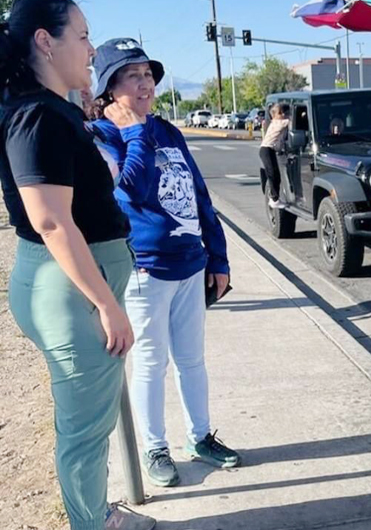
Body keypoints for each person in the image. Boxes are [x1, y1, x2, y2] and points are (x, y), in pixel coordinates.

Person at [0, 2, 155, 529]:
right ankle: (94, 523)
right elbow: (50, 222)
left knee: (86, 422)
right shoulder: (35, 115)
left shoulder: (49, 108)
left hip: (74, 284)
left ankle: (95, 514)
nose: (92, 49)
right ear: (46, 41)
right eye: (84, 36)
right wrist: (107, 304)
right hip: (73, 291)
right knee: (85, 431)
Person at [91, 38, 240, 489]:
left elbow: (200, 198)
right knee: (151, 362)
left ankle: (200, 437)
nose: (145, 83)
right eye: (131, 76)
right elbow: (128, 191)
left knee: (192, 360)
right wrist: (134, 132)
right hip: (144, 269)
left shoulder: (169, 131)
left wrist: (218, 256)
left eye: (148, 74)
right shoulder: (103, 135)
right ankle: (155, 447)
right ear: (108, 89)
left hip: (190, 264)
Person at [259, 103, 290, 208]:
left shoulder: (275, 122)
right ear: (274, 116)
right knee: (272, 174)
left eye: (283, 112)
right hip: (266, 149)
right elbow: (292, 121)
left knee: (276, 174)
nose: (283, 114)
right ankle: (274, 199)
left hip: (269, 150)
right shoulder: (278, 123)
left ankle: (275, 198)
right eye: (280, 113)